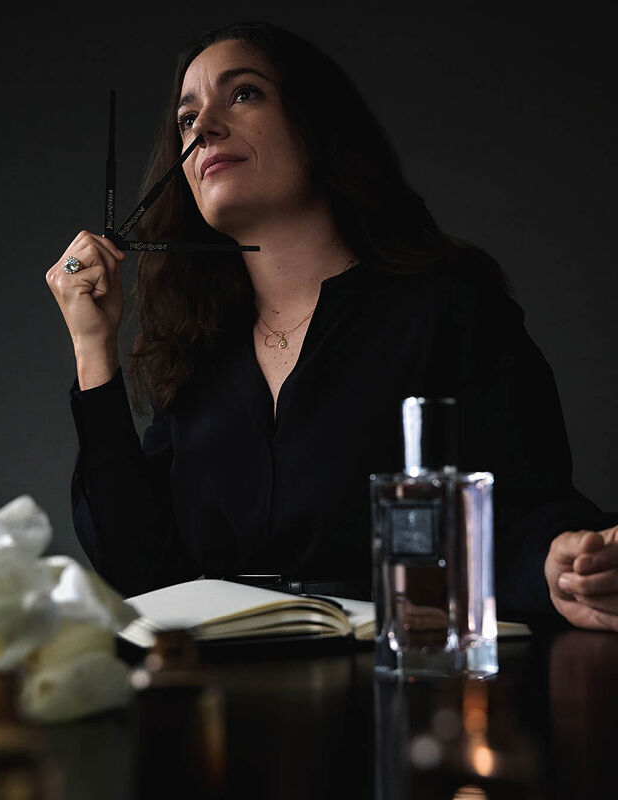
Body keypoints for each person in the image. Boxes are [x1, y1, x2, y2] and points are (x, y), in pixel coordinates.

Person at [46, 20, 618, 630]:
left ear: (315, 123)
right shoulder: (200, 352)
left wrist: (559, 566)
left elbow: (524, 511)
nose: (204, 128)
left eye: (243, 94)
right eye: (187, 119)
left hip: (401, 687)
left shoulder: (446, 307)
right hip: (227, 707)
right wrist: (92, 347)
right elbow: (138, 570)